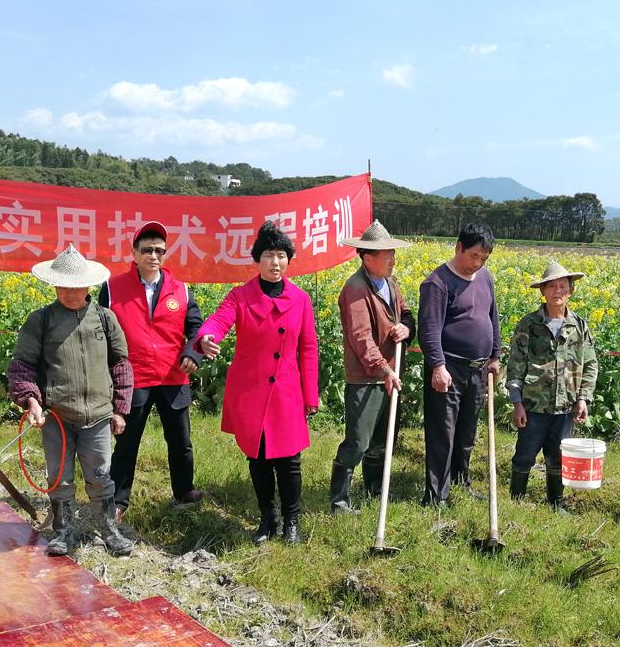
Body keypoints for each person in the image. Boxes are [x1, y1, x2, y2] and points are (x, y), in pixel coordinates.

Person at [6, 246, 135, 558]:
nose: (71, 293)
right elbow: (22, 366)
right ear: (54, 285)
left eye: (77, 287)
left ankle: (108, 530)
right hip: (58, 418)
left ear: (88, 286)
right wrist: (32, 401)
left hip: (99, 417)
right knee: (59, 478)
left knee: (100, 476)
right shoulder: (42, 320)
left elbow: (120, 363)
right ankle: (64, 532)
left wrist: (120, 409)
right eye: (64, 286)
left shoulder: (105, 319)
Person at [196, 221, 319, 544]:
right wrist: (207, 337)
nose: (274, 262)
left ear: (288, 259)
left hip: (287, 392)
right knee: (259, 456)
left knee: (290, 461)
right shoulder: (241, 296)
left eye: (281, 255)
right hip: (251, 391)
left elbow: (308, 347)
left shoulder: (301, 299)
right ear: (257, 259)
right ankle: (268, 517)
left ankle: (292, 520)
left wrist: (311, 395)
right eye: (268, 255)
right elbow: (218, 320)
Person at [99, 221, 205, 521]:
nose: (153, 256)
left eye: (159, 250)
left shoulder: (181, 290)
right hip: (134, 377)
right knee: (127, 441)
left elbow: (196, 327)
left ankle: (184, 490)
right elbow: (102, 329)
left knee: (181, 441)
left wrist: (192, 353)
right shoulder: (112, 288)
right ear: (134, 253)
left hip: (173, 375)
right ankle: (119, 500)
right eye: (147, 250)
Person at [329, 220, 416, 514]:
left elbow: (404, 312)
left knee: (381, 440)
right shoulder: (355, 290)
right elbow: (361, 338)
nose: (392, 259)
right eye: (386, 254)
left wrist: (405, 326)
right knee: (358, 442)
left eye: (393, 253)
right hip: (367, 378)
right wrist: (383, 369)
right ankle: (339, 502)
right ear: (368, 258)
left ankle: (374, 491)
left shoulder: (390, 283)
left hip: (390, 374)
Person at [419, 222, 501, 505]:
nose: (477, 264)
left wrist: (495, 356)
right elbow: (429, 329)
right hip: (449, 368)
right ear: (458, 248)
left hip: (478, 369)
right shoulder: (437, 282)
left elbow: (492, 317)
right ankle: (435, 495)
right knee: (443, 432)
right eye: (473, 256)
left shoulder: (485, 277)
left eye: (483, 259)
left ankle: (459, 480)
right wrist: (438, 366)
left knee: (467, 430)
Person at [505, 261, 597, 509]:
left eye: (563, 286)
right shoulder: (529, 324)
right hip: (534, 406)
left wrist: (583, 398)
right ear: (542, 291)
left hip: (565, 407)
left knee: (558, 458)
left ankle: (556, 503)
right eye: (552, 286)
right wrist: (517, 403)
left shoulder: (579, 325)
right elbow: (515, 364)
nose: (558, 291)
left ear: (571, 291)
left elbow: (590, 364)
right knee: (524, 456)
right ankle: (516, 501)